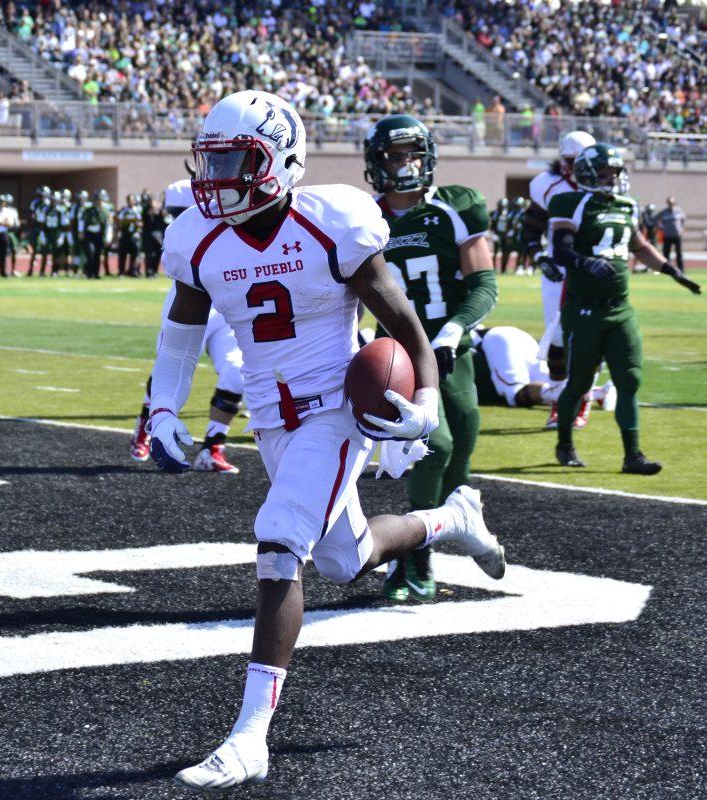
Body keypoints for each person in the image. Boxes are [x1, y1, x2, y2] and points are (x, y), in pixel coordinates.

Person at [152, 91, 505, 792]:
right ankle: (452, 519)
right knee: (348, 558)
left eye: (235, 160)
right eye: (213, 159)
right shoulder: (199, 234)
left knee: (279, 541)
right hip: (271, 420)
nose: (217, 176)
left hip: (336, 408)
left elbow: (402, 323)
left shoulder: (330, 221)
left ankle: (250, 736)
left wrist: (428, 400)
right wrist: (162, 407)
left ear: (281, 161)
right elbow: (181, 328)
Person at [364, 114, 500, 603]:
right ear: (377, 163)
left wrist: (454, 329)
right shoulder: (366, 217)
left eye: (413, 154)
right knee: (434, 445)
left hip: (451, 348)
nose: (406, 164)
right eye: (395, 156)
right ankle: (412, 558)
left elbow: (484, 281)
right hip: (401, 352)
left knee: (462, 447)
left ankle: (435, 536)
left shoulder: (455, 206)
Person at [547, 143, 702, 473]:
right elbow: (561, 250)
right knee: (579, 382)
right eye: (604, 173)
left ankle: (633, 454)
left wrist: (674, 272)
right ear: (587, 174)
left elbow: (640, 246)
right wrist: (586, 263)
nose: (611, 178)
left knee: (629, 379)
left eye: (614, 172)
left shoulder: (626, 205)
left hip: (621, 309)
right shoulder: (570, 202)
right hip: (585, 309)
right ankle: (564, 444)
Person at [130, 174, 245, 474]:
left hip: (225, 306)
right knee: (166, 370)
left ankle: (212, 447)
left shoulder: (240, 205)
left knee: (237, 373)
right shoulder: (184, 215)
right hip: (189, 298)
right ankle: (146, 426)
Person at [526, 130, 597, 429]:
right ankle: (559, 401)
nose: (575, 167)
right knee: (557, 341)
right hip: (559, 272)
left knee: (588, 340)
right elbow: (530, 228)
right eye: (570, 160)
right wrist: (539, 256)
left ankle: (585, 400)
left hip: (594, 271)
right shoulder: (547, 186)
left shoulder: (605, 184)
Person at [471, 325, 615, 411]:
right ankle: (599, 392)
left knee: (515, 395)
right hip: (515, 336)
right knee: (549, 383)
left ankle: (575, 398)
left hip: (497, 340)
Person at [78, 191, 107, 279]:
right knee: (90, 253)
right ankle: (89, 273)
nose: (98, 202)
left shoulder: (104, 211)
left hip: (99, 235)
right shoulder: (88, 210)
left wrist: (107, 237)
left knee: (98, 254)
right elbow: (82, 221)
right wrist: (81, 231)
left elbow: (107, 224)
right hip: (89, 234)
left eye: (100, 200)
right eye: (97, 200)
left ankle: (96, 273)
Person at [656, 196, 686, 273]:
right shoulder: (664, 212)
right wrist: (661, 228)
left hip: (677, 236)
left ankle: (681, 270)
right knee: (666, 254)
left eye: (672, 203)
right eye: (669, 203)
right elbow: (656, 220)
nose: (671, 205)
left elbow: (683, 220)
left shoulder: (679, 211)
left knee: (679, 253)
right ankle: (667, 270)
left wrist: (682, 229)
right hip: (667, 236)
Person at [116, 193, 142, 277]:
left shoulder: (137, 210)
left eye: (132, 200)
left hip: (134, 235)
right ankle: (121, 271)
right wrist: (126, 221)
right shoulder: (124, 210)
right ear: (127, 201)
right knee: (123, 254)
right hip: (125, 234)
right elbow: (119, 221)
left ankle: (133, 271)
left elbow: (141, 222)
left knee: (135, 253)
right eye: (130, 200)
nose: (131, 201)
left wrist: (138, 227)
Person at [491, 197, 512, 273]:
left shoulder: (509, 213)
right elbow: (492, 225)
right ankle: (493, 268)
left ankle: (503, 269)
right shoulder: (494, 213)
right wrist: (493, 233)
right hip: (497, 234)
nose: (502, 208)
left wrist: (510, 233)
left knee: (505, 252)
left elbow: (511, 224)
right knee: (495, 251)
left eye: (503, 206)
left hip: (505, 235)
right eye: (501, 206)